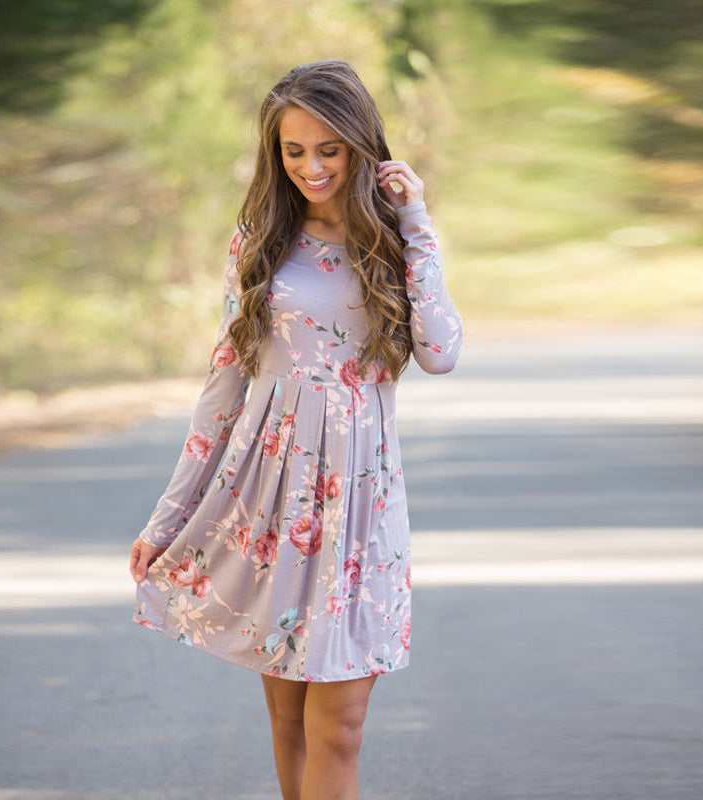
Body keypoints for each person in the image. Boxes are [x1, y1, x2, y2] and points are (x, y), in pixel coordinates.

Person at [129, 59, 462, 800]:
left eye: (329, 150)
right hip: (272, 501)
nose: (311, 167)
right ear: (274, 154)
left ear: (359, 145)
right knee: (288, 724)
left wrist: (417, 223)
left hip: (362, 511)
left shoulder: (396, 241)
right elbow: (222, 386)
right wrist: (168, 515)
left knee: (338, 726)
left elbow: (440, 352)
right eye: (293, 151)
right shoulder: (259, 241)